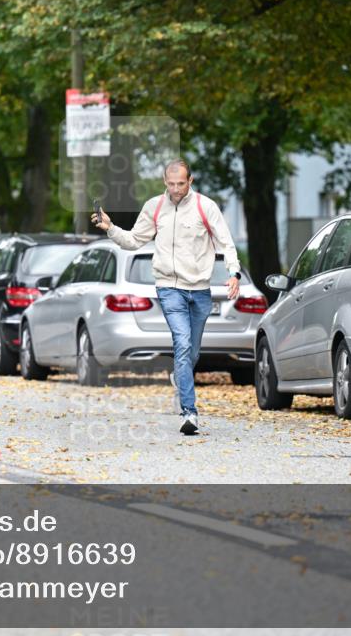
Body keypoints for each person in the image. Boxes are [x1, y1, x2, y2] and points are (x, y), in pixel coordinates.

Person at [92, 160, 242, 436]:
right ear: (164, 181)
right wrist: (111, 228)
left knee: (192, 352)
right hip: (168, 288)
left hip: (200, 289)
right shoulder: (155, 207)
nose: (175, 189)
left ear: (190, 181)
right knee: (182, 344)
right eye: (171, 184)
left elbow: (226, 243)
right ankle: (189, 412)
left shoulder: (205, 207)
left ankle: (179, 376)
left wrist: (234, 273)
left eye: (181, 184)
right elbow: (134, 240)